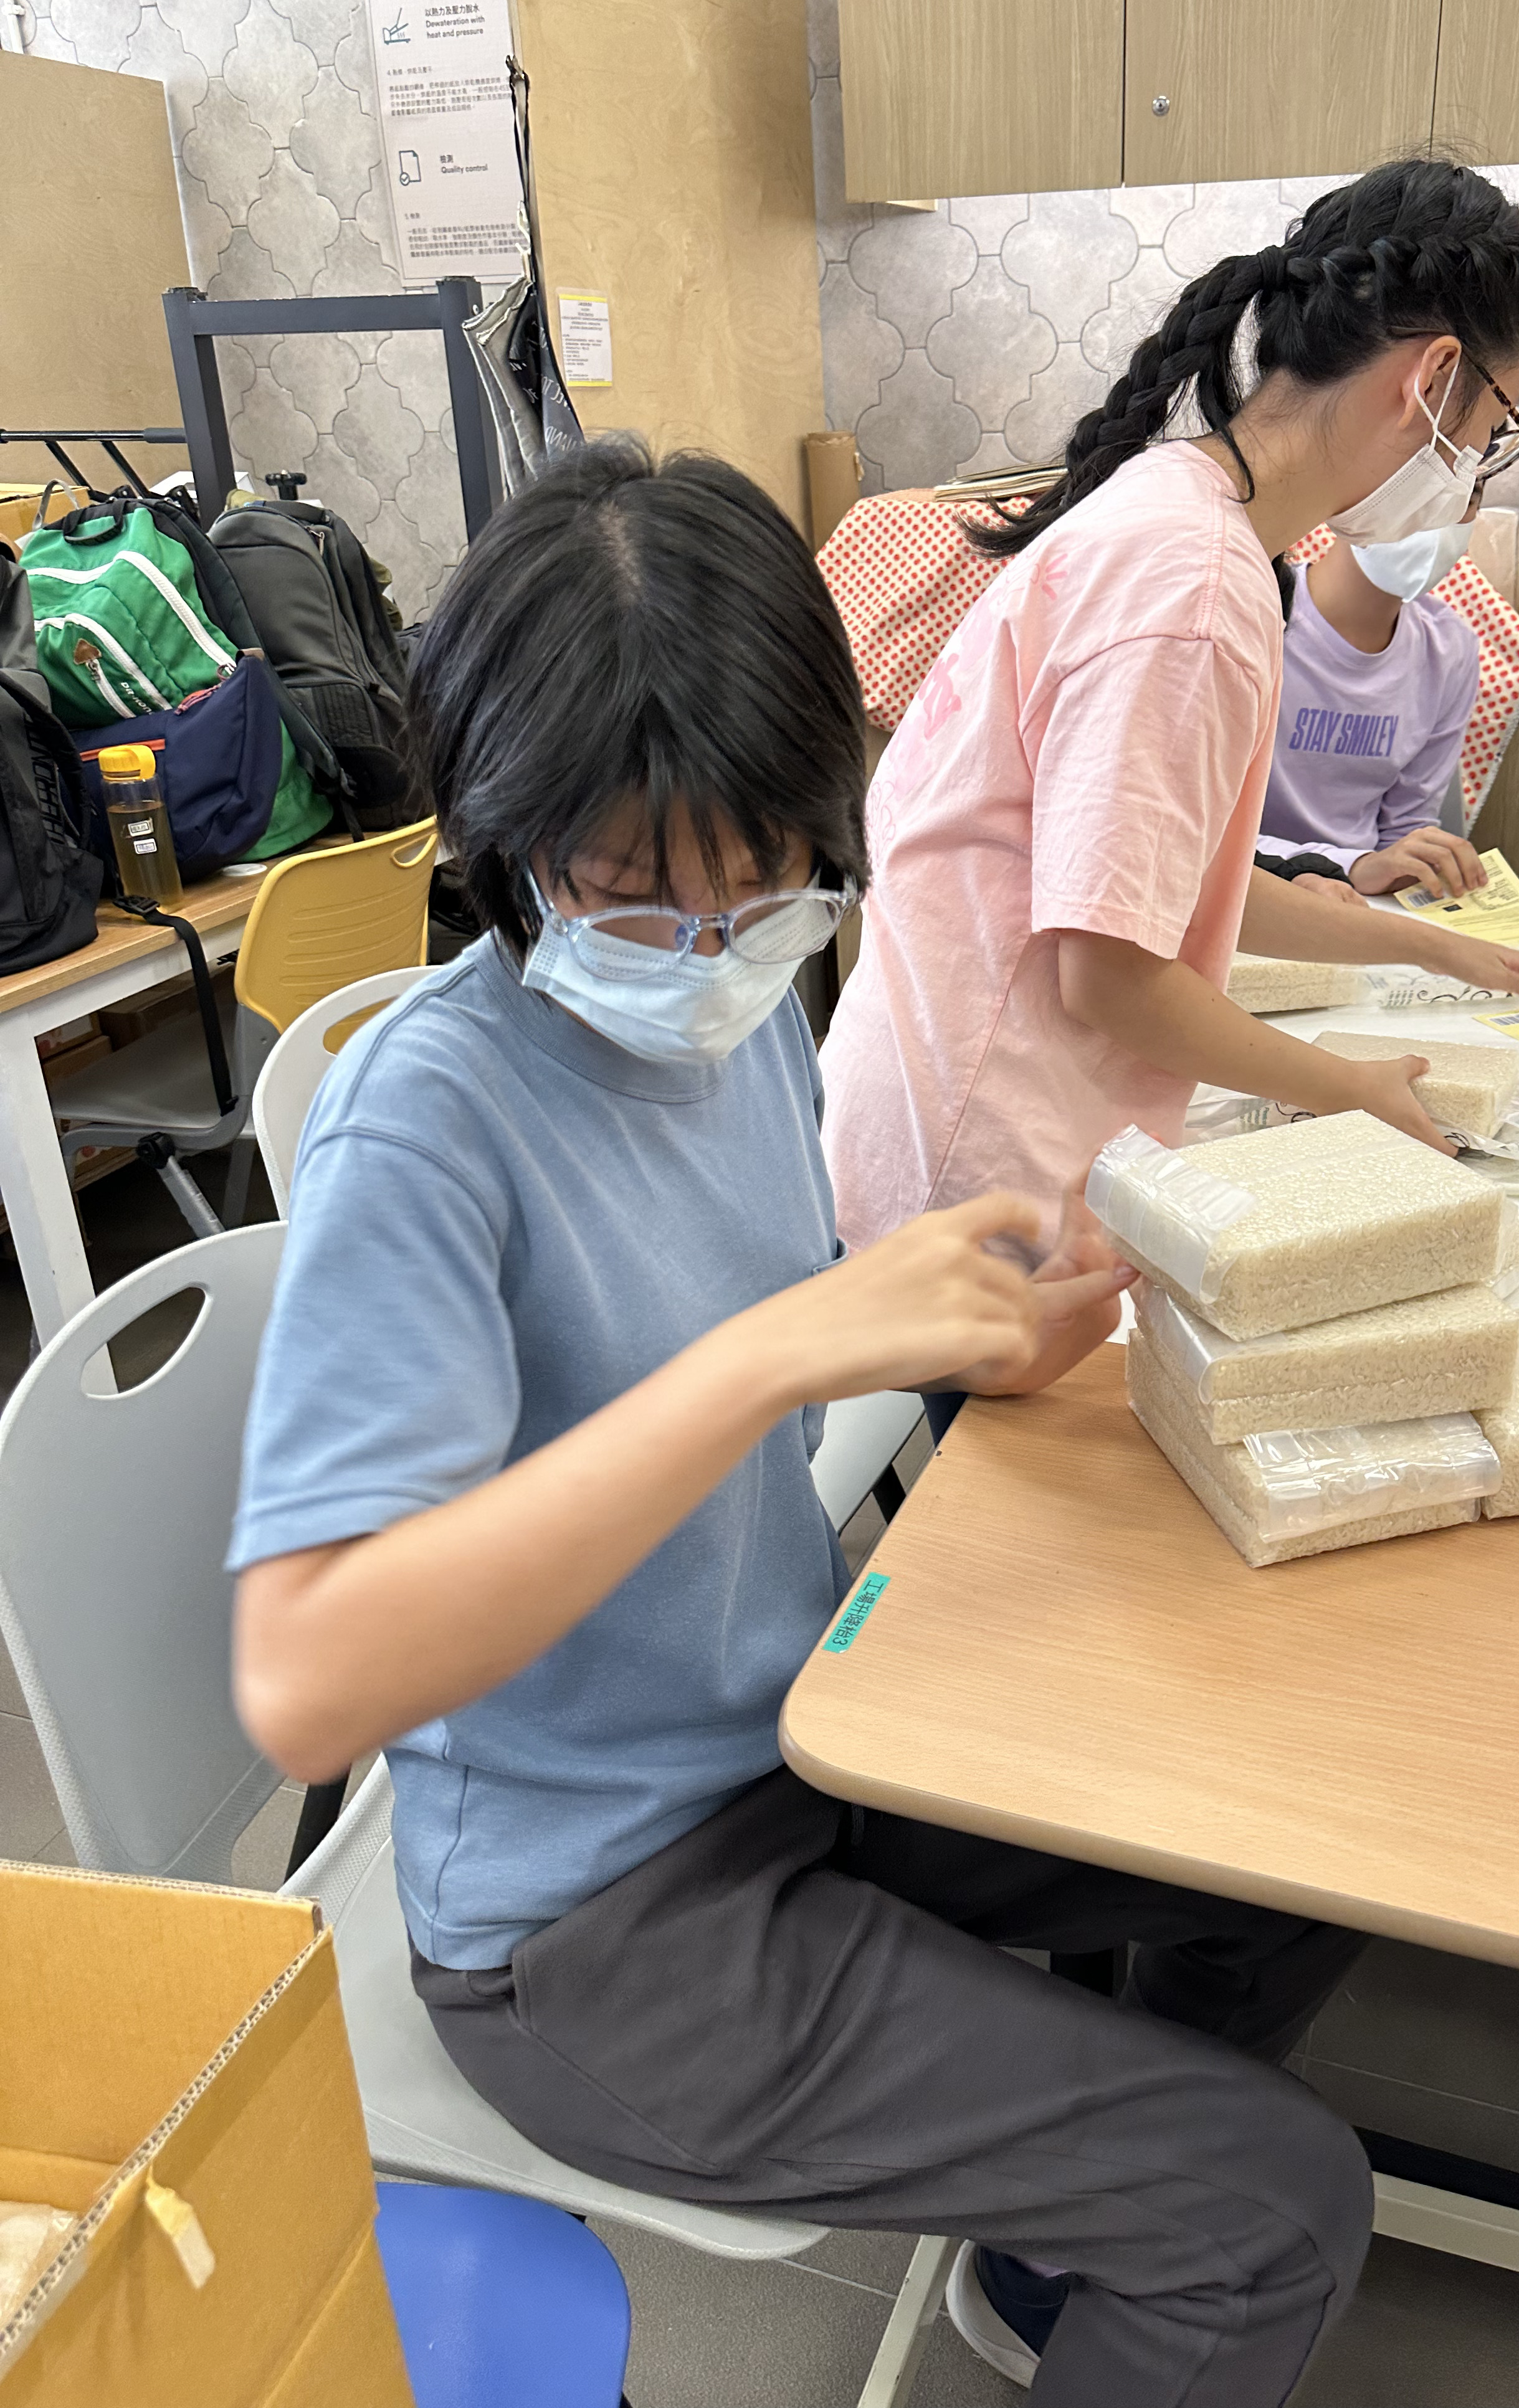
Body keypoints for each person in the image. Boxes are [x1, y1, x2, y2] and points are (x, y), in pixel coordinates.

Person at [227, 438, 1378, 2407]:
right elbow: (305, 1680)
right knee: (1274, 2210)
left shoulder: (746, 1007)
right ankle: (1149, 2247)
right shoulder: (429, 1123)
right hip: (587, 1922)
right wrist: (777, 1356)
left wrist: (977, 1336)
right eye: (631, 896)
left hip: (796, 1743)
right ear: (502, 839)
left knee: (1300, 1853)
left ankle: (1067, 2252)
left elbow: (741, 1315)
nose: (711, 945)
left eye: (765, 886)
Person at [820, 158, 1519, 1263]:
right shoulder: (1192, 590)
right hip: (979, 1177)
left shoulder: (1177, 509)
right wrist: (1347, 1088)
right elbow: (1112, 977)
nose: (1474, 476)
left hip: (942, 1122)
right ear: (1434, 377)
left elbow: (1169, 896)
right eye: (1494, 429)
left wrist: (1427, 947)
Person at [1260, 524, 1488, 900]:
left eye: (1468, 500)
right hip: (1247, 890)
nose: (1442, 516)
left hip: (1363, 897)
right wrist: (1354, 866)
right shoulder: (1260, 615)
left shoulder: (1448, 649)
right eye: (1424, 495)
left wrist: (1416, 863)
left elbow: (1409, 826)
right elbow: (1198, 830)